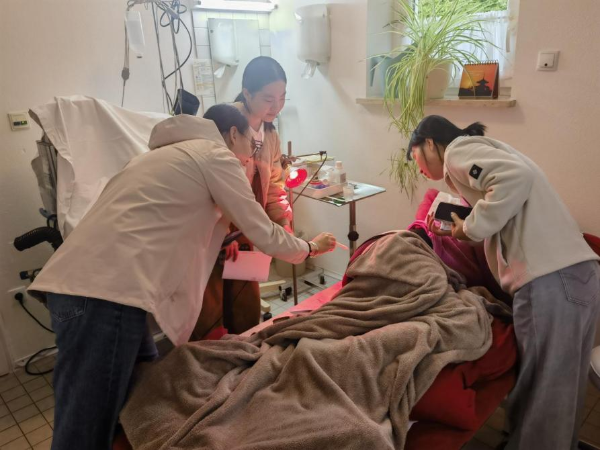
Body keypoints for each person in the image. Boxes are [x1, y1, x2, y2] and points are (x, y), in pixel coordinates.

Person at [28, 105, 336, 450]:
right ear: (233, 134)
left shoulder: (156, 158)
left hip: (84, 288)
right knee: (84, 427)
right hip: (104, 295)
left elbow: (168, 220)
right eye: (250, 145)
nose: (251, 157)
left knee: (146, 392)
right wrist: (310, 247)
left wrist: (224, 243)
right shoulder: (215, 156)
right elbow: (263, 230)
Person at [407, 114, 600, 450]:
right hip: (578, 275)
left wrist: (470, 228)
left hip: (551, 281)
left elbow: (514, 178)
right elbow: (509, 190)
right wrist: (464, 228)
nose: (419, 169)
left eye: (415, 158)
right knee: (561, 394)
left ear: (429, 143)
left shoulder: (457, 151)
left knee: (542, 393)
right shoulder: (488, 150)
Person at [193, 56, 291, 339]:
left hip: (247, 232)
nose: (276, 106)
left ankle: (245, 359)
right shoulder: (224, 125)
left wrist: (282, 223)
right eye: (268, 99)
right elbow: (208, 187)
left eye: (282, 98)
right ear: (247, 93)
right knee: (209, 315)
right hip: (213, 233)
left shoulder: (270, 134)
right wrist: (224, 235)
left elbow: (273, 186)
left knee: (246, 313)